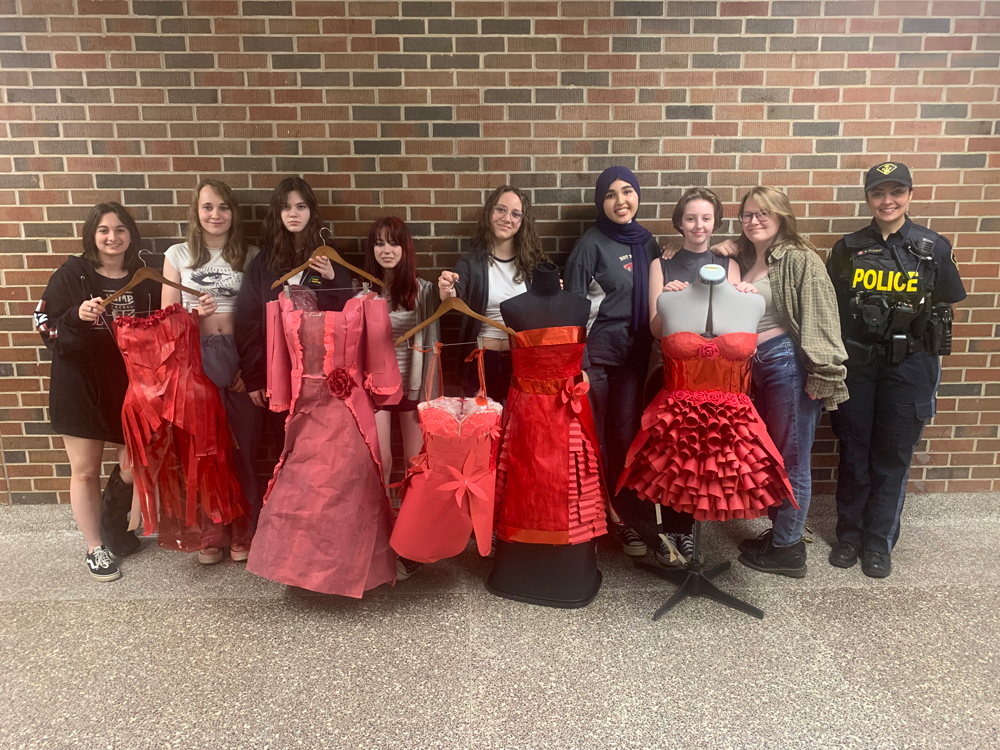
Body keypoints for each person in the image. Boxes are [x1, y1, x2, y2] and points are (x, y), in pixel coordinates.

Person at [826, 162, 966, 578]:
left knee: (892, 456)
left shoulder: (934, 247)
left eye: (896, 192)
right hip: (859, 365)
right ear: (867, 198)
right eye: (878, 193)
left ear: (909, 194)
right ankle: (849, 537)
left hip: (910, 366)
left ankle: (878, 543)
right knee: (854, 452)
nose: (887, 201)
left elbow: (947, 301)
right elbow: (833, 306)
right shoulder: (847, 249)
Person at [711, 187, 849, 578]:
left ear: (782, 215)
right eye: (747, 215)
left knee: (792, 459)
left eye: (762, 213)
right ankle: (780, 533)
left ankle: (788, 550)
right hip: (758, 369)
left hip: (789, 365)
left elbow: (822, 318)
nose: (754, 220)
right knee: (772, 456)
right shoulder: (745, 256)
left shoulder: (800, 258)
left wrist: (824, 374)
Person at [34, 202, 161, 581]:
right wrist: (76, 315)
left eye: (120, 229)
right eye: (104, 230)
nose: (112, 237)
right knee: (85, 471)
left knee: (134, 465)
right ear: (92, 235)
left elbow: (163, 328)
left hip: (130, 387)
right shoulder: (70, 275)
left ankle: (112, 521)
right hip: (80, 387)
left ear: (130, 236)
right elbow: (45, 326)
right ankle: (95, 546)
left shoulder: (146, 279)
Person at [163, 179, 262, 565]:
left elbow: (261, 318)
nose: (215, 215)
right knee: (203, 452)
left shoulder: (251, 255)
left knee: (242, 448)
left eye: (223, 207)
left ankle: (242, 529)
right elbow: (166, 320)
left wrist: (252, 369)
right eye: (207, 207)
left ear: (233, 212)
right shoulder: (178, 255)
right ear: (196, 212)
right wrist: (192, 316)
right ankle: (211, 531)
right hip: (196, 359)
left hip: (240, 356)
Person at [564, 166, 661, 558]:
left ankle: (618, 510)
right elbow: (571, 307)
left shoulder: (648, 242)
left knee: (624, 438)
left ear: (638, 195)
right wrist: (580, 361)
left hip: (634, 358)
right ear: (600, 202)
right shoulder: (591, 243)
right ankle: (603, 518)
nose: (620, 201)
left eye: (627, 192)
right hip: (597, 359)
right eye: (610, 194)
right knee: (596, 440)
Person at [646, 188, 741, 568]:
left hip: (714, 376)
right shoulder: (661, 264)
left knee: (704, 458)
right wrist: (672, 302)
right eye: (690, 218)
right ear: (679, 223)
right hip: (671, 373)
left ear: (715, 222)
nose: (698, 226)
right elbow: (655, 328)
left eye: (705, 218)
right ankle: (674, 532)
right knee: (673, 458)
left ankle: (694, 529)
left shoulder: (728, 264)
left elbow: (731, 329)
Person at [235, 176, 353, 415]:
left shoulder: (330, 258)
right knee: (285, 441)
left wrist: (332, 279)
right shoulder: (264, 262)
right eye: (286, 207)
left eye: (301, 207)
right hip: (278, 369)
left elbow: (346, 317)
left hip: (324, 372)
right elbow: (249, 322)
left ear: (311, 211)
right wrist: (254, 377)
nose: (293, 214)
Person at [364, 217, 440, 582]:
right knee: (380, 462)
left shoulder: (423, 289)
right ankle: (379, 539)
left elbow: (448, 307)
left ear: (405, 248)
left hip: (413, 387)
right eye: (379, 243)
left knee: (415, 465)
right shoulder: (363, 290)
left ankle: (411, 544)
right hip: (376, 389)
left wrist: (450, 289)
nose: (386, 250)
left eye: (393, 243)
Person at [436, 185, 547, 402]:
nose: (507, 218)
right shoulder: (472, 262)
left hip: (522, 361)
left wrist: (553, 294)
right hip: (482, 361)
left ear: (523, 222)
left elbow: (547, 313)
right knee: (483, 432)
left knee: (518, 429)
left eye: (516, 214)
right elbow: (451, 297)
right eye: (501, 210)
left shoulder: (534, 265)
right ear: (490, 213)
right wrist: (447, 287)